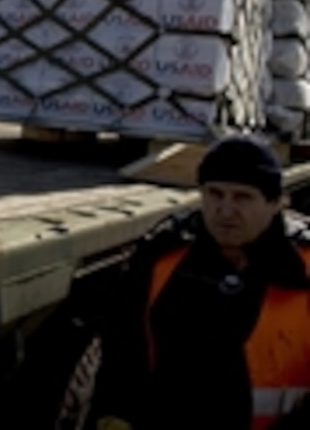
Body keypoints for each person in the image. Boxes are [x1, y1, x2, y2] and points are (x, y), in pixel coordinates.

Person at [89, 134, 310, 430]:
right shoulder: (162, 258)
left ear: (275, 203)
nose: (226, 210)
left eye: (242, 197)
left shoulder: (303, 268)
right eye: (215, 194)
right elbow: (122, 359)